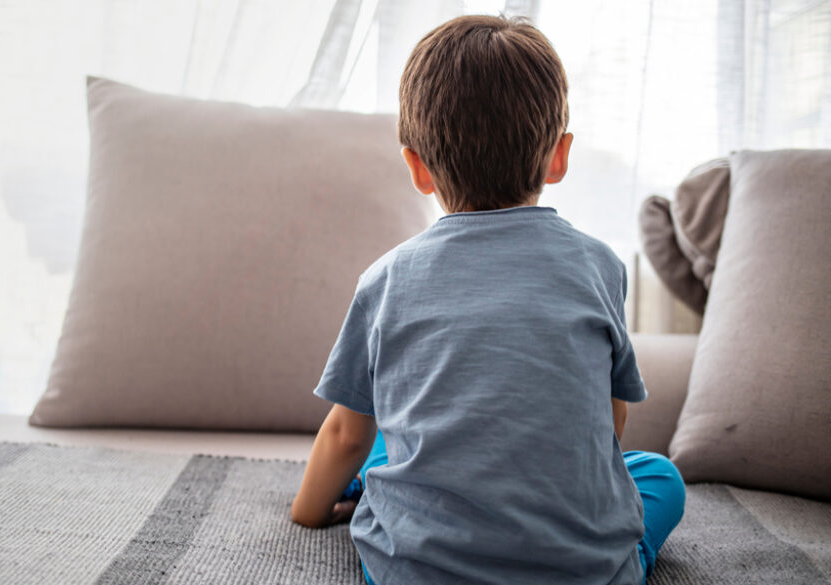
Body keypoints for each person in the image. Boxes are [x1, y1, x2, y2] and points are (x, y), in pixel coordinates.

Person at [290, 14, 686, 585]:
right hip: (578, 571)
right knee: (659, 477)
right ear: (559, 155)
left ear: (417, 168)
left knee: (381, 442)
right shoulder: (599, 266)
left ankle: (366, 492)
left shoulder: (386, 280)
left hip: (417, 573)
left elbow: (345, 434)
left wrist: (307, 513)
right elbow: (609, 418)